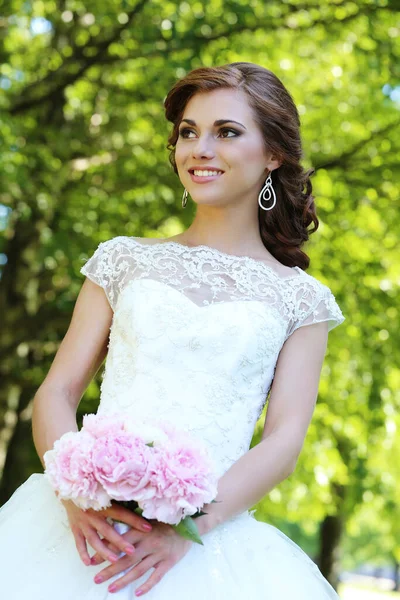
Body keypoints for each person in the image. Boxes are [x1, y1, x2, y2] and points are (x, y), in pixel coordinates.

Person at [0, 62, 345, 599]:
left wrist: (190, 529)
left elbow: (283, 441)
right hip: (77, 527)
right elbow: (57, 392)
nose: (199, 149)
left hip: (205, 548)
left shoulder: (303, 300)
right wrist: (73, 497)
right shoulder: (123, 261)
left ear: (274, 154)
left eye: (226, 132)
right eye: (189, 132)